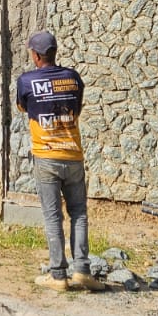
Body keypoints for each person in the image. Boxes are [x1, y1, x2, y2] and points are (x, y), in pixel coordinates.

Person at [15, 30, 101, 293]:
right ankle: (82, 271)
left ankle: (58, 275)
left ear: (36, 55)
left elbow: (22, 108)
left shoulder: (27, 81)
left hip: (46, 156)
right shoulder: (73, 78)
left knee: (53, 217)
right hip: (73, 155)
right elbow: (78, 108)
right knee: (79, 214)